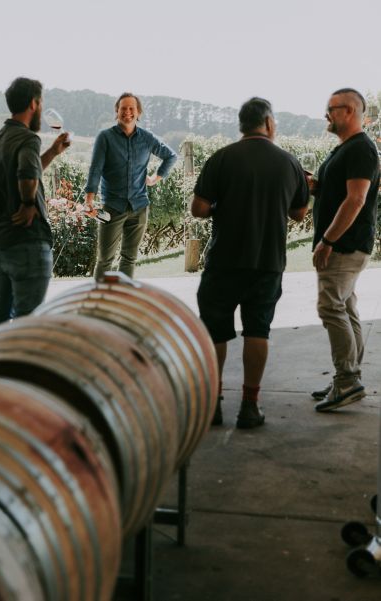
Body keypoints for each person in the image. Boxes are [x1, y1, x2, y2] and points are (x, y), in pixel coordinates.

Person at [191, 97, 309, 429]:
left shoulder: (222, 158)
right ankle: (249, 406)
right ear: (269, 123)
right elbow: (298, 213)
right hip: (267, 262)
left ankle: (213, 404)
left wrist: (222, 208)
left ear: (241, 125)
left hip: (224, 261)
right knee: (258, 330)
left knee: (216, 331)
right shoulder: (289, 163)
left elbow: (198, 209)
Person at [309, 88, 380, 412]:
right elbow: (340, 192)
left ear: (349, 111)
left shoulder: (361, 149)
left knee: (330, 307)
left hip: (345, 245)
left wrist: (328, 240)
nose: (326, 114)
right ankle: (346, 376)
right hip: (345, 243)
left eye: (331, 109)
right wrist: (316, 185)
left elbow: (356, 199)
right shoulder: (346, 149)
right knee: (346, 308)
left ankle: (348, 380)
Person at [0, 77, 71, 323]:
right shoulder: (28, 138)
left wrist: (53, 152)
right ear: (34, 104)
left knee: (0, 313)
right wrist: (28, 204)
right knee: (28, 320)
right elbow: (26, 176)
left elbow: (28, 171)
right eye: (41, 102)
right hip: (26, 240)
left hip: (0, 239)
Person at [84, 93, 178, 279]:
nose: (127, 112)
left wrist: (155, 178)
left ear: (138, 112)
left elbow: (171, 156)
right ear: (117, 111)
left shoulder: (146, 138)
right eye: (123, 108)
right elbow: (95, 169)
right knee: (105, 259)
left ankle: (121, 299)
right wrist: (89, 200)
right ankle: (100, 301)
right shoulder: (105, 137)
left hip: (139, 207)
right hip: (112, 208)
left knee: (129, 258)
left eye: (131, 108)